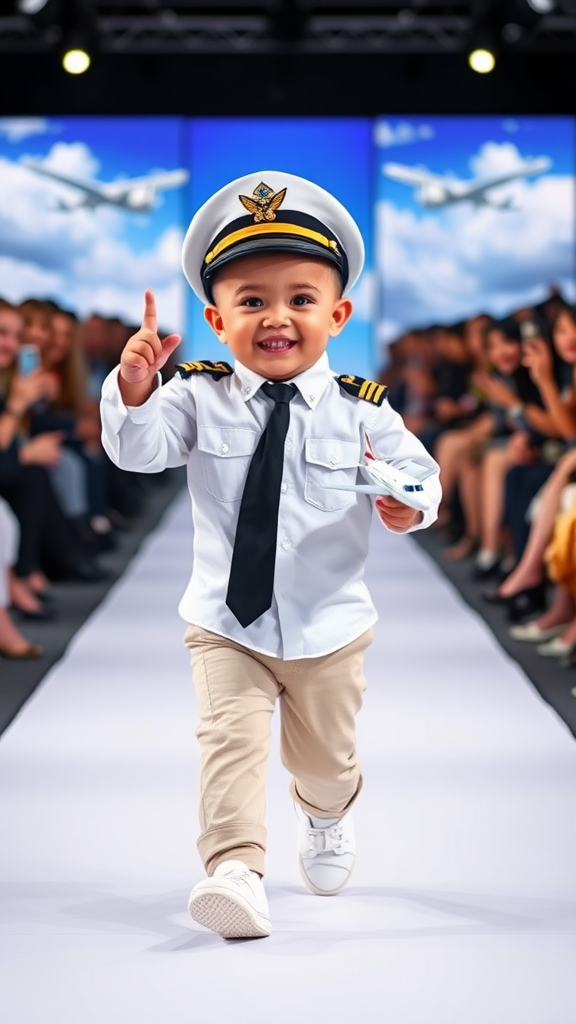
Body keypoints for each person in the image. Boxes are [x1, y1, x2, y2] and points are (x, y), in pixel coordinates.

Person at [100, 171, 441, 940]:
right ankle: (235, 871)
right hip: (225, 620)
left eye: (300, 298)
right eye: (251, 301)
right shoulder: (195, 395)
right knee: (230, 742)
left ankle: (326, 814)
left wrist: (409, 502)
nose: (276, 317)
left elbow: (422, 476)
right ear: (218, 321)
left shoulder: (361, 408)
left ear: (338, 314)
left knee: (325, 761)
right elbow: (138, 451)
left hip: (330, 626)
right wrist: (132, 389)